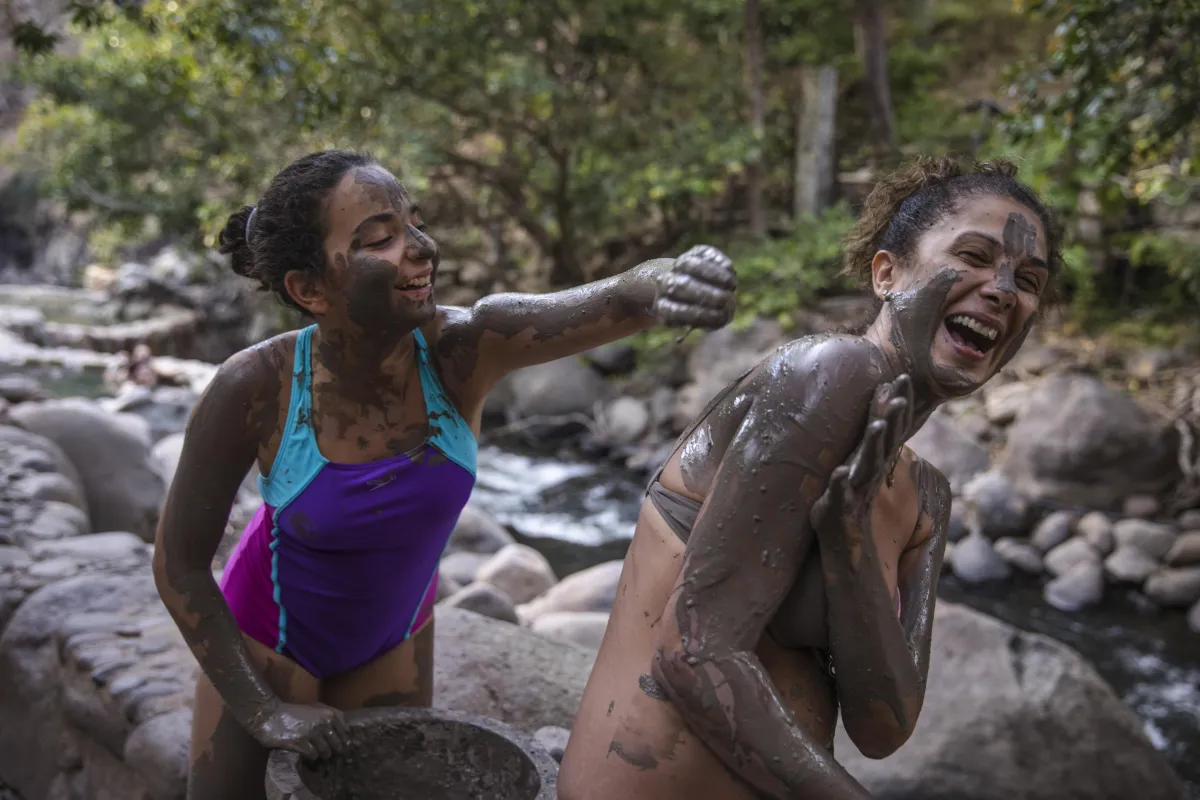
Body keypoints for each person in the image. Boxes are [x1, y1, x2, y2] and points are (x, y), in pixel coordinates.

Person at [150, 149, 738, 800]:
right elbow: (178, 564)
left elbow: (620, 296)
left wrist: (676, 280)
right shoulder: (254, 387)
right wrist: (262, 710)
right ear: (309, 289)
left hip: (393, 643)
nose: (420, 250)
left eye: (415, 224)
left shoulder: (465, 350)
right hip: (269, 642)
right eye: (380, 238)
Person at [558, 157, 1061, 800]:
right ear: (888, 273)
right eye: (974, 255)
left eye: (1029, 279)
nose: (1003, 289)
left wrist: (847, 541)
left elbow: (886, 727)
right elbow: (693, 655)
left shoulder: (926, 497)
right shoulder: (827, 373)